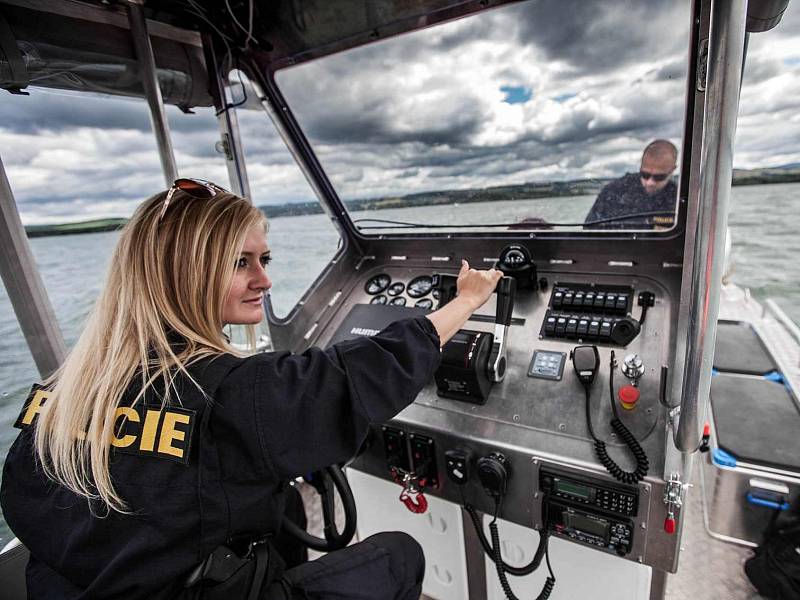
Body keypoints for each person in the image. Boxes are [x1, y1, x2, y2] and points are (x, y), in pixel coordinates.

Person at [0, 179, 503, 599]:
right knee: (398, 556)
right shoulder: (235, 393)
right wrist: (467, 301)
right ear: (183, 274)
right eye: (241, 262)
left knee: (281, 511)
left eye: (265, 258)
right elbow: (363, 374)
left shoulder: (59, 391)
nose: (264, 278)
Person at [584, 139, 679, 229]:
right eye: (645, 175)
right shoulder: (613, 192)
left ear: (672, 170)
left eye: (659, 177)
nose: (650, 183)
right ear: (640, 166)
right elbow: (589, 229)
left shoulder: (679, 199)